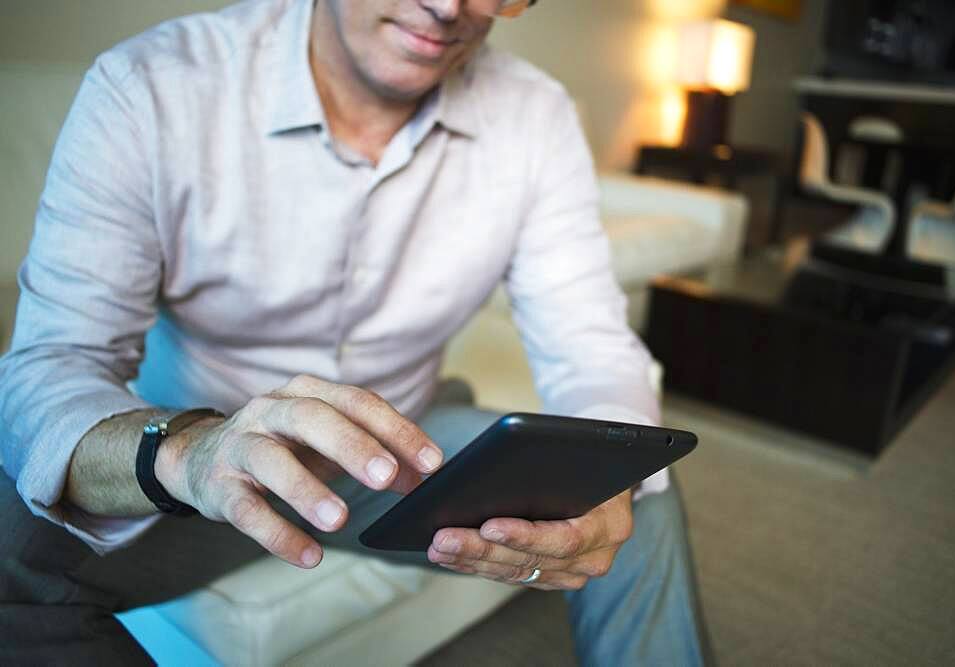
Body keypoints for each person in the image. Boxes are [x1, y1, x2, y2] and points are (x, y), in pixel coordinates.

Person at [0, 0, 710, 664]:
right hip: (201, 464)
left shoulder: (537, 116)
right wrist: (187, 452)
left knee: (627, 475)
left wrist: (610, 478)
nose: (448, 7)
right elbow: (57, 363)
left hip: (401, 451)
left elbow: (590, 345)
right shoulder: (151, 88)